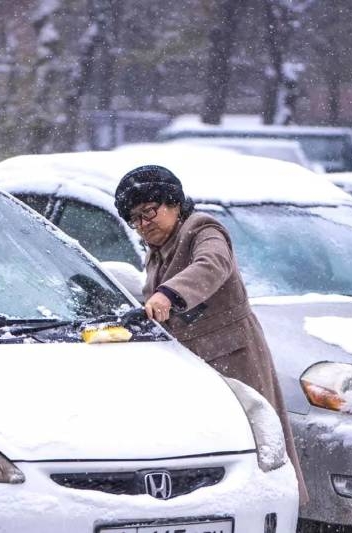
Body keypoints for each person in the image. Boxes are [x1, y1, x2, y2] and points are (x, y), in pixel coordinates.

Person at [114, 164, 308, 504]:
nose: (144, 225)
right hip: (196, 366)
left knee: (257, 446)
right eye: (135, 219)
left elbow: (213, 263)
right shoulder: (157, 251)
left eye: (149, 212)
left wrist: (169, 295)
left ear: (174, 203)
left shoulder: (202, 229)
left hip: (234, 357)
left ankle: (272, 511)